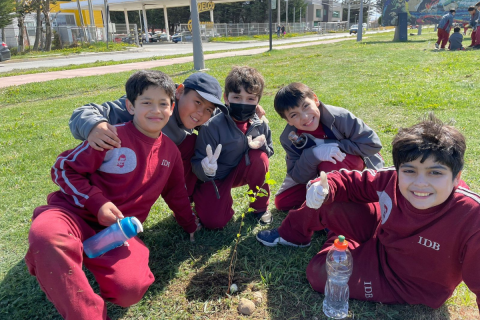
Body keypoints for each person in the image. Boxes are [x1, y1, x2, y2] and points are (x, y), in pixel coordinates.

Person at [24, 70, 201, 320]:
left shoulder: (170, 152)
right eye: (146, 103)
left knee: (130, 290)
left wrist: (189, 224)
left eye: (163, 104)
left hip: (117, 232)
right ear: (130, 105)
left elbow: (177, 193)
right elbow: (63, 168)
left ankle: (70, 254)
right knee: (46, 236)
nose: (155, 110)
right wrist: (97, 203)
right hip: (73, 214)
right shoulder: (110, 135)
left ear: (172, 108)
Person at [290, 113, 478, 310]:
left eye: (435, 172)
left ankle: (342, 241)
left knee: (318, 274)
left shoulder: (471, 217)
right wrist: (323, 187)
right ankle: (293, 234)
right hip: (382, 237)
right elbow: (350, 181)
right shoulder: (392, 179)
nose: (420, 183)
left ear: (457, 177)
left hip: (401, 283)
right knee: (327, 199)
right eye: (410, 170)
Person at [69, 73, 228, 198]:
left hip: (151, 169)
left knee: (191, 143)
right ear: (179, 92)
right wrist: (95, 125)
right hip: (109, 180)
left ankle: (187, 198)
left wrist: (252, 115)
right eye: (198, 102)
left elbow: (223, 119)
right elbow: (84, 112)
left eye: (208, 109)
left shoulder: (197, 116)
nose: (200, 113)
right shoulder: (153, 102)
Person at [271, 82, 384, 212]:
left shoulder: (340, 116)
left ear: (315, 99)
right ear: (288, 121)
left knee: (329, 163)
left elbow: (372, 144)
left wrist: (331, 145)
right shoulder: (288, 137)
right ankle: (326, 201)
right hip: (316, 174)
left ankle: (341, 211)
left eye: (306, 106)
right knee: (283, 201)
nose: (305, 117)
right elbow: (298, 176)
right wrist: (314, 154)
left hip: (352, 166)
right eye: (294, 115)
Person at [191, 66, 274, 229]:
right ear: (226, 98)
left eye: (250, 98)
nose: (243, 103)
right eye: (237, 97)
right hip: (217, 176)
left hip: (242, 170)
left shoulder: (259, 122)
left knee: (260, 157)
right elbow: (197, 162)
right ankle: (201, 201)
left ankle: (260, 207)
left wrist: (261, 146)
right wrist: (206, 168)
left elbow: (269, 151)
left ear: (258, 100)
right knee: (213, 222)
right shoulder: (211, 126)